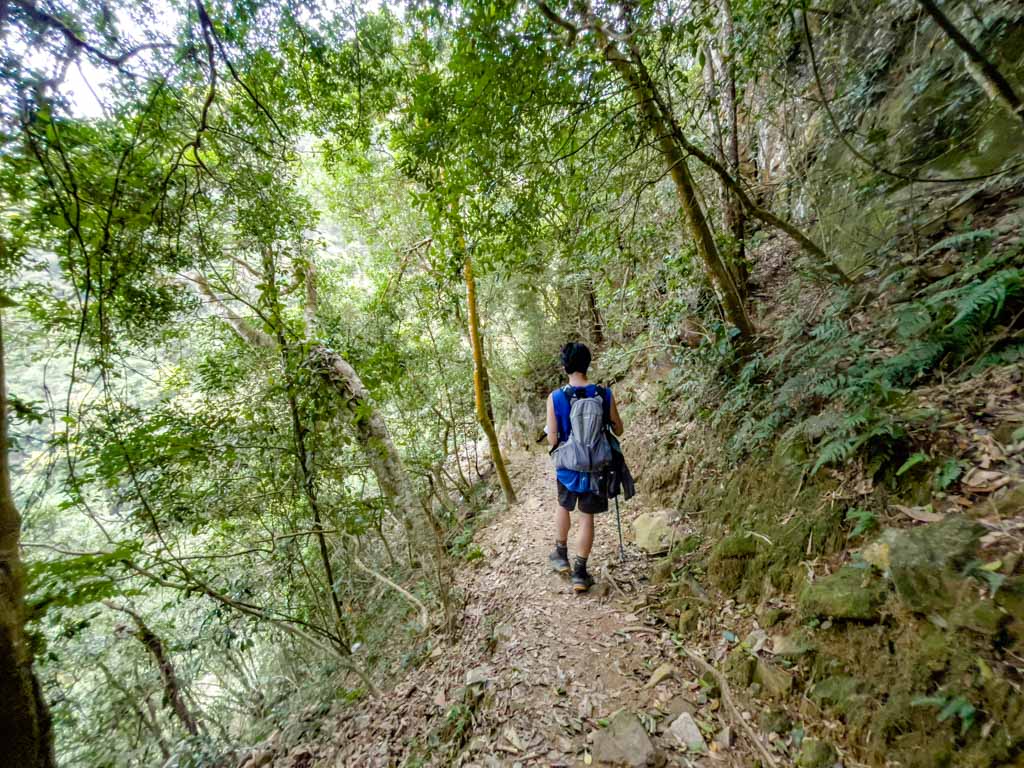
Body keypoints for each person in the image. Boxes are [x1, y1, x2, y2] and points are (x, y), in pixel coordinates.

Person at [545, 342, 624, 592]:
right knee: (587, 517)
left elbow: (552, 439)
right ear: (588, 363)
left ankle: (560, 554)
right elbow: (618, 428)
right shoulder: (603, 394)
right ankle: (580, 572)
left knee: (563, 506)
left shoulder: (556, 397)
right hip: (597, 467)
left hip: (568, 466)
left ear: (564, 365)